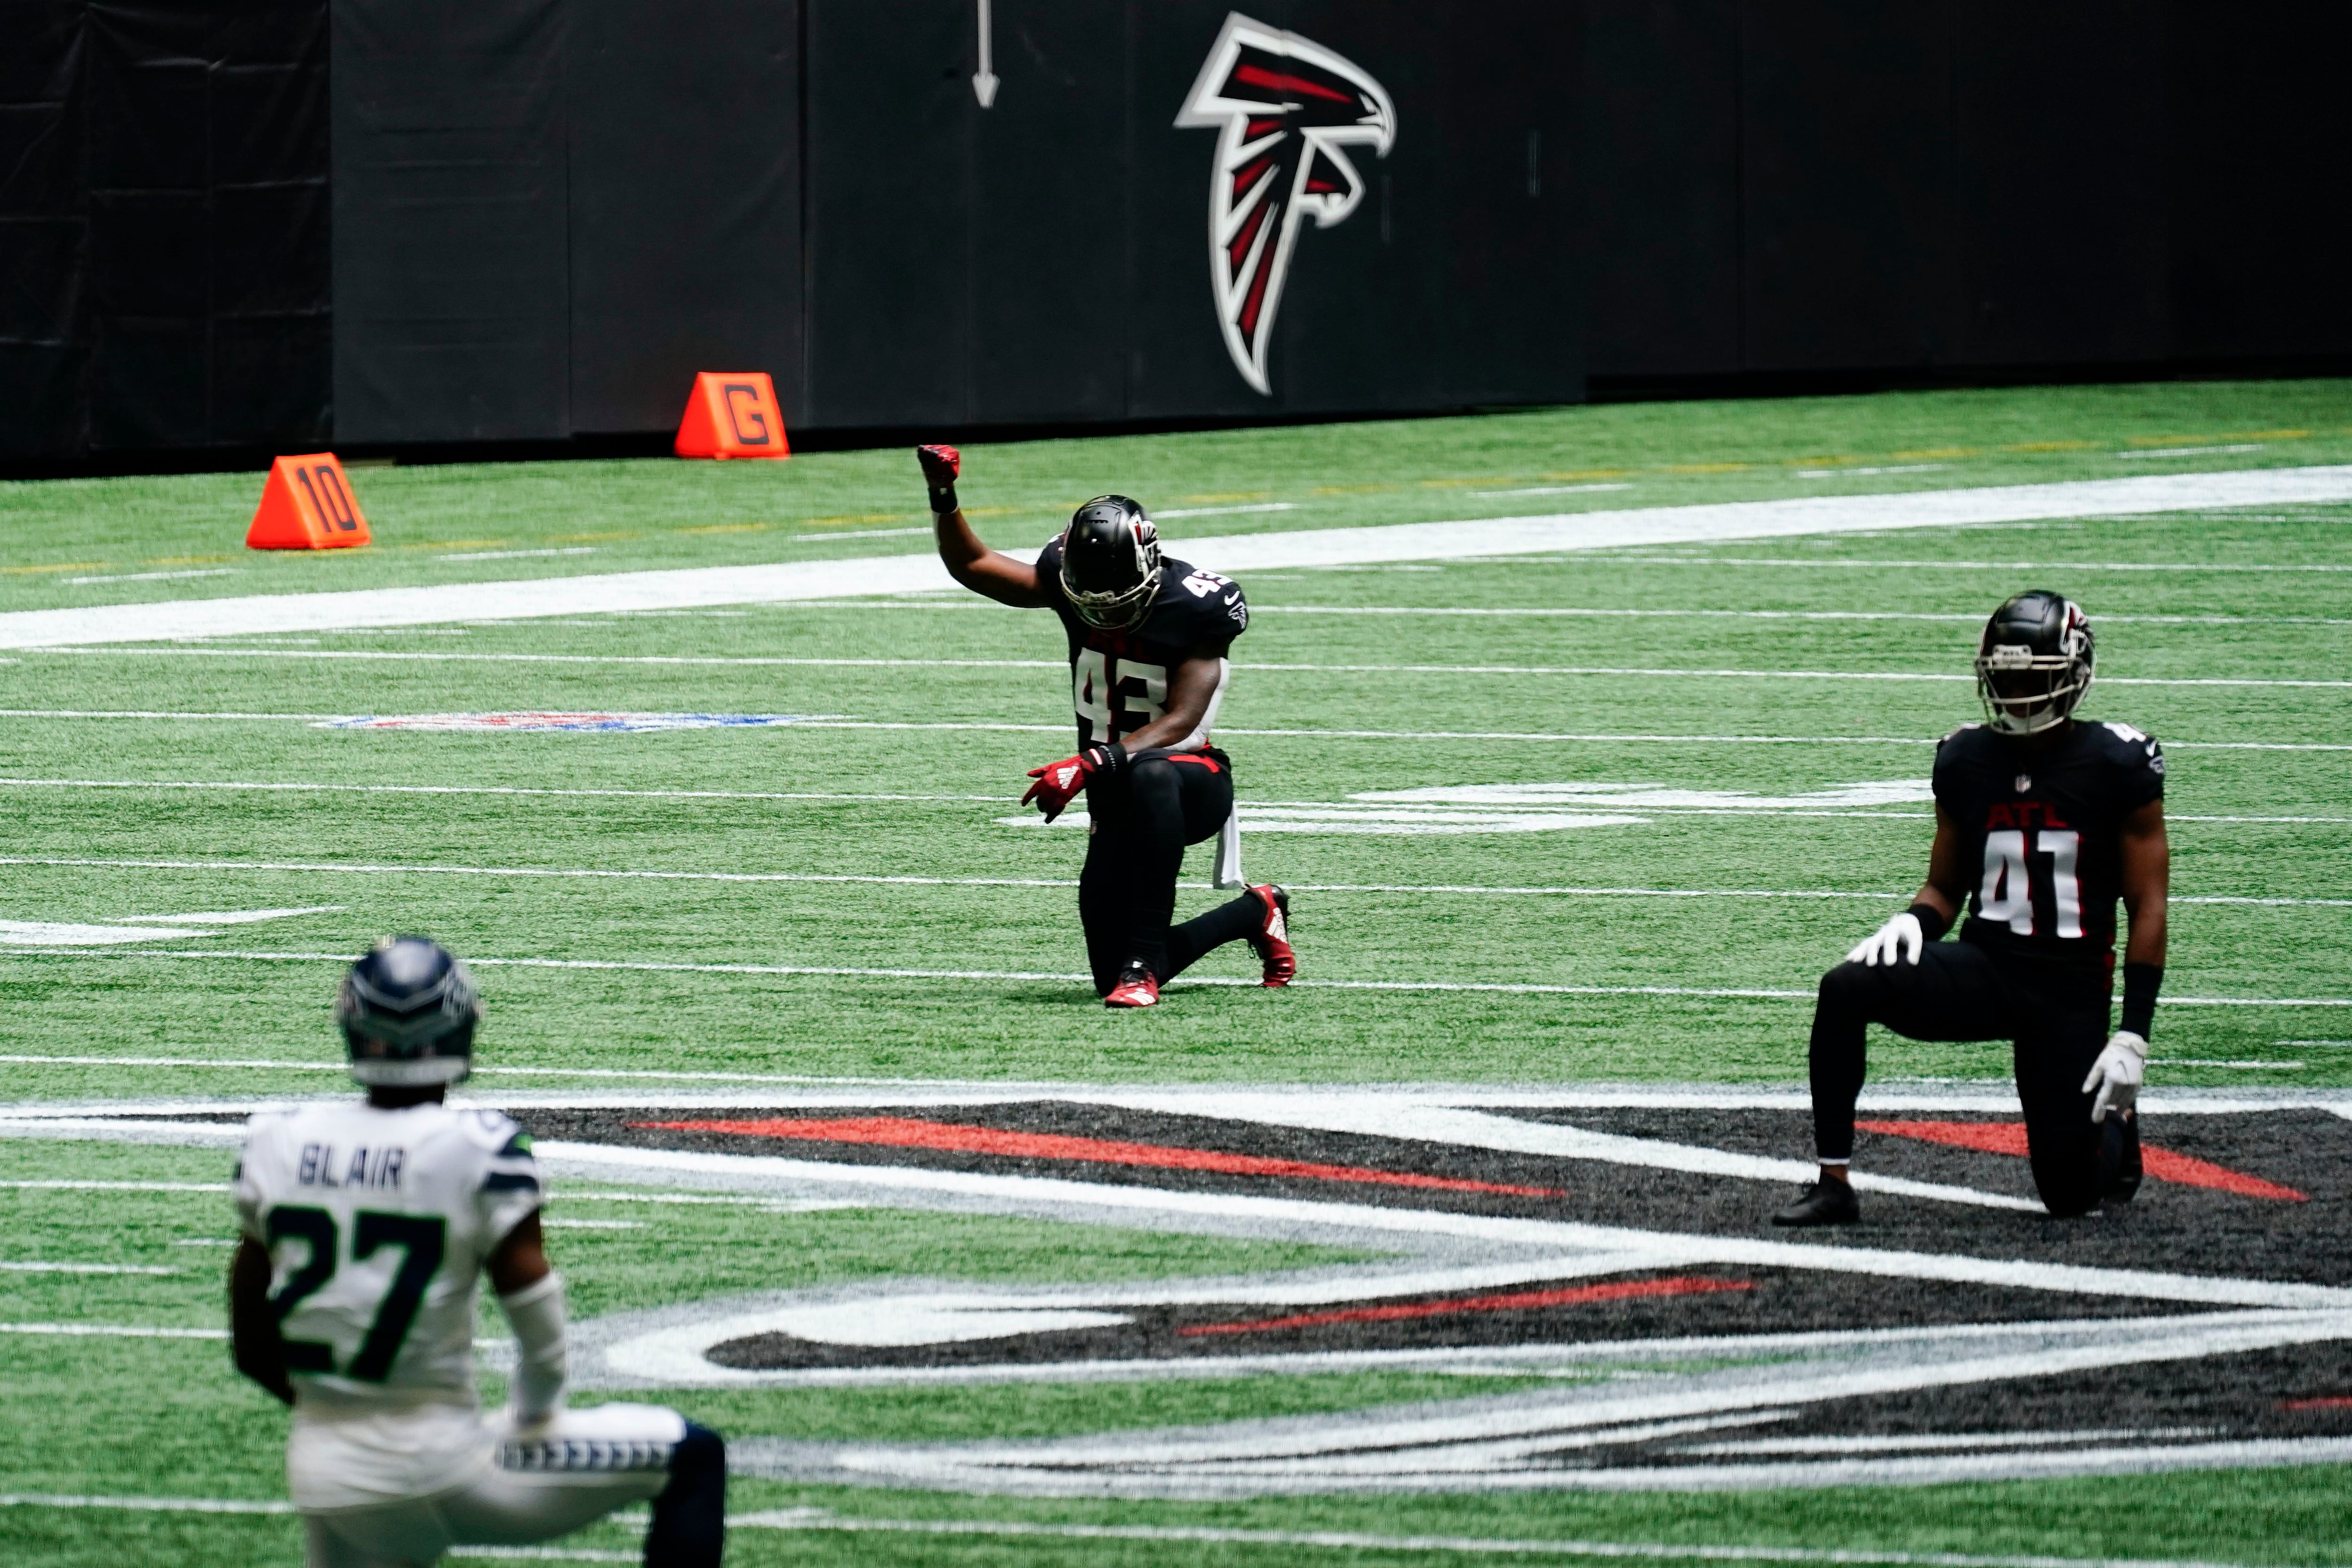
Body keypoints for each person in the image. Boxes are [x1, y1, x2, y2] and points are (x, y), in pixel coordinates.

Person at [229, 936, 726, 1567]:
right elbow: (536, 1317)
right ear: (460, 1025)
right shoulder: (479, 1147)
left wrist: (344, 1421)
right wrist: (535, 1417)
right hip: (445, 1464)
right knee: (693, 1455)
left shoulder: (279, 1140)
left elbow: (249, 1341)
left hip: (325, 1472)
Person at [1773, 590, 2169, 1226]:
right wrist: (1912, 921)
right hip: (1989, 965)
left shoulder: (2117, 762)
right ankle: (1834, 1181)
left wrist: (2134, 1034)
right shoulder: (1965, 758)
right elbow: (1945, 890)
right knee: (1845, 987)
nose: (2017, 695)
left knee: (2070, 1195)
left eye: (2031, 679)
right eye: (2006, 679)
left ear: (2074, 675)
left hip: (2070, 989)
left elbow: (2148, 903)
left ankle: (2118, 1124)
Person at [916, 443, 1295, 1007]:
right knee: (1103, 975)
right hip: (1110, 790)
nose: (1101, 609)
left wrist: (1090, 762)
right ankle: (1255, 910)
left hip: (1191, 781)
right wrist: (944, 497)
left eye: (1114, 597)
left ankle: (1142, 971)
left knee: (1151, 777)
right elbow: (972, 565)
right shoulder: (1068, 578)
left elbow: (1184, 720)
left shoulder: (1196, 606)